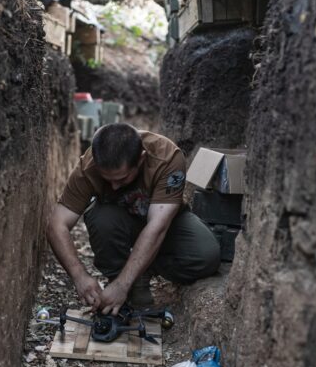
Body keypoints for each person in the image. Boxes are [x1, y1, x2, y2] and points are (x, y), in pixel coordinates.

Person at [46, 123, 220, 316]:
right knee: (101, 217)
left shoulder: (167, 157)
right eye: (107, 179)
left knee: (207, 255)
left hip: (166, 223)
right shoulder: (88, 166)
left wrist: (124, 283)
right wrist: (79, 276)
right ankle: (122, 280)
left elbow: (158, 226)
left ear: (141, 160)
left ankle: (137, 275)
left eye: (122, 179)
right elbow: (56, 224)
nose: (113, 186)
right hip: (120, 222)